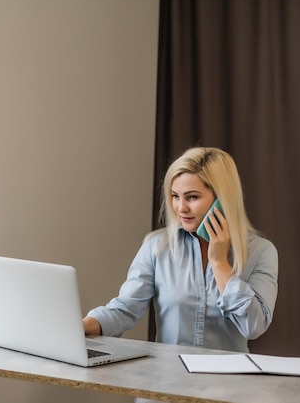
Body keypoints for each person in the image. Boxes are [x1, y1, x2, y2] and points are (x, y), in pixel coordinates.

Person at [83, 147, 278, 352]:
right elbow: (125, 309)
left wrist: (220, 263)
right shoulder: (157, 247)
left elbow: (254, 326)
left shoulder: (262, 252)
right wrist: (84, 325)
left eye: (192, 197)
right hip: (168, 379)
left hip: (228, 381)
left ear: (223, 200)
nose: (180, 208)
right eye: (175, 196)